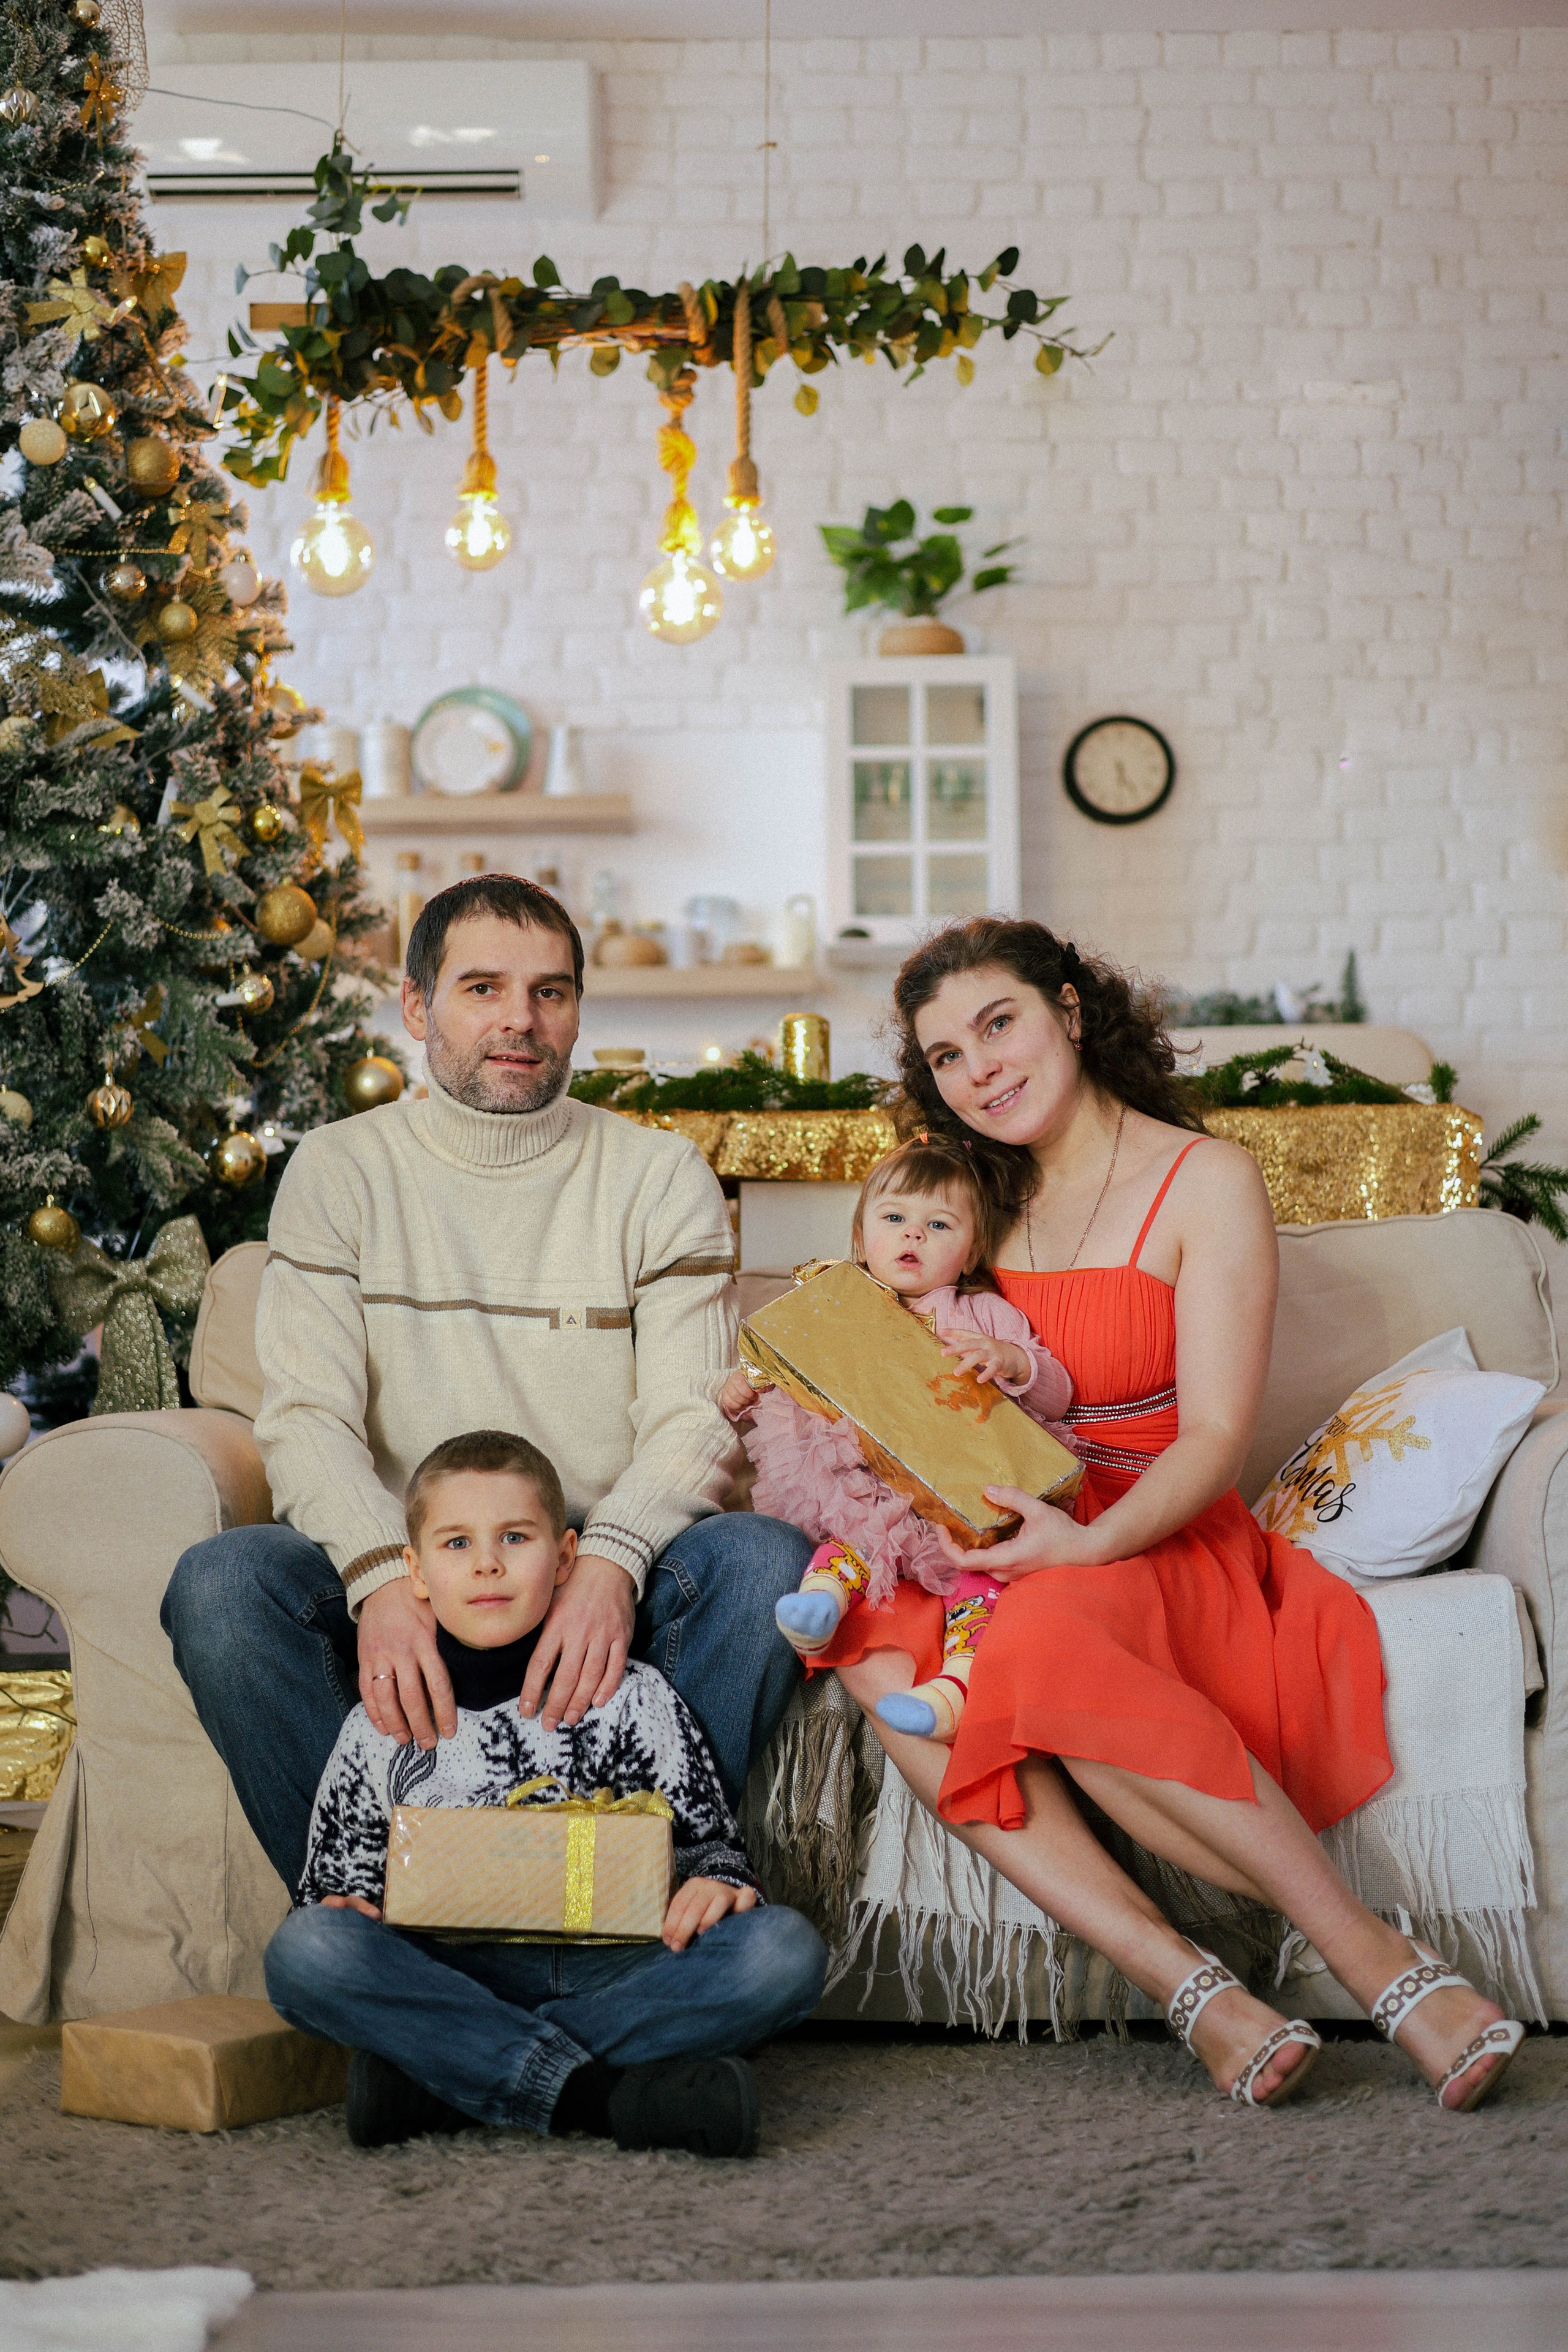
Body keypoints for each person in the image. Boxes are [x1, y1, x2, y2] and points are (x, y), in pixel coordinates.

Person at [818, 917, 1526, 2113]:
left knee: (1037, 1640)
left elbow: (1211, 1438)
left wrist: (1086, 1541)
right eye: (944, 1056)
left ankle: (1372, 1959)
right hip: (998, 1526)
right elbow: (886, 1345)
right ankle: (1194, 1988)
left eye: (998, 1024)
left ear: (1070, 1011)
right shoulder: (960, 1201)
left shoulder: (1203, 1181)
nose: (979, 1067)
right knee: (876, 1652)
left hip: (1152, 1523)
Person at [162, 874, 811, 1901]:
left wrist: (608, 1562)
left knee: (765, 1559)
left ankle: (652, 1896)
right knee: (223, 1584)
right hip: (410, 1579)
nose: (520, 1019)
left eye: (551, 992)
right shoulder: (340, 1170)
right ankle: (369, 1923)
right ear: (417, 1007)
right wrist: (380, 1576)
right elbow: (307, 1419)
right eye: (482, 988)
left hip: (598, 1580)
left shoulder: (655, 1174)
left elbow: (694, 1415)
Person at [266, 1430, 825, 2155]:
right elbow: (333, 1880)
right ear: (417, 1571)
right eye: (457, 1544)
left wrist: (717, 1883)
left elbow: (709, 1843)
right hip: (452, 1969)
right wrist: (343, 1905)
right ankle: (606, 2096)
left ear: (565, 1557)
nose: (488, 1563)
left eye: (515, 1538)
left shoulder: (632, 1696)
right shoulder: (382, 1719)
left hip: (619, 1965)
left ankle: (451, 2074)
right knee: (305, 1953)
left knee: (783, 1951)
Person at [720, 1133, 1077, 1742]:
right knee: (853, 1531)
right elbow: (787, 1367)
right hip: (872, 1486)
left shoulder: (982, 1312)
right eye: (894, 1219)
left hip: (961, 1498)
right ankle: (821, 1602)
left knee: (982, 1572)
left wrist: (1012, 1361)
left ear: (969, 1254)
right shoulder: (840, 1304)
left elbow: (1056, 1394)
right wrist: (745, 1385)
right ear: (861, 1240)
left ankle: (953, 1689)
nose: (913, 1235)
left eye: (939, 1225)